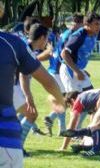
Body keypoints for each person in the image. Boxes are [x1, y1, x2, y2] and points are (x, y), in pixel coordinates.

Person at [0, 15, 65, 168]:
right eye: (46, 38)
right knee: (31, 113)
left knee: (30, 114)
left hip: (12, 89)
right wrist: (29, 97)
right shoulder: (14, 43)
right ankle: (20, 145)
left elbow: (34, 62)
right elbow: (25, 74)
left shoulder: (20, 45)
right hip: (12, 89)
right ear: (42, 37)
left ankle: (20, 144)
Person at [44, 13, 84, 137]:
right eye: (83, 23)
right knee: (71, 98)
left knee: (64, 99)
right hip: (58, 71)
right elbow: (64, 55)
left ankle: (61, 128)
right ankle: (53, 119)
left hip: (54, 70)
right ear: (78, 23)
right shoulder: (71, 35)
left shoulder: (66, 33)